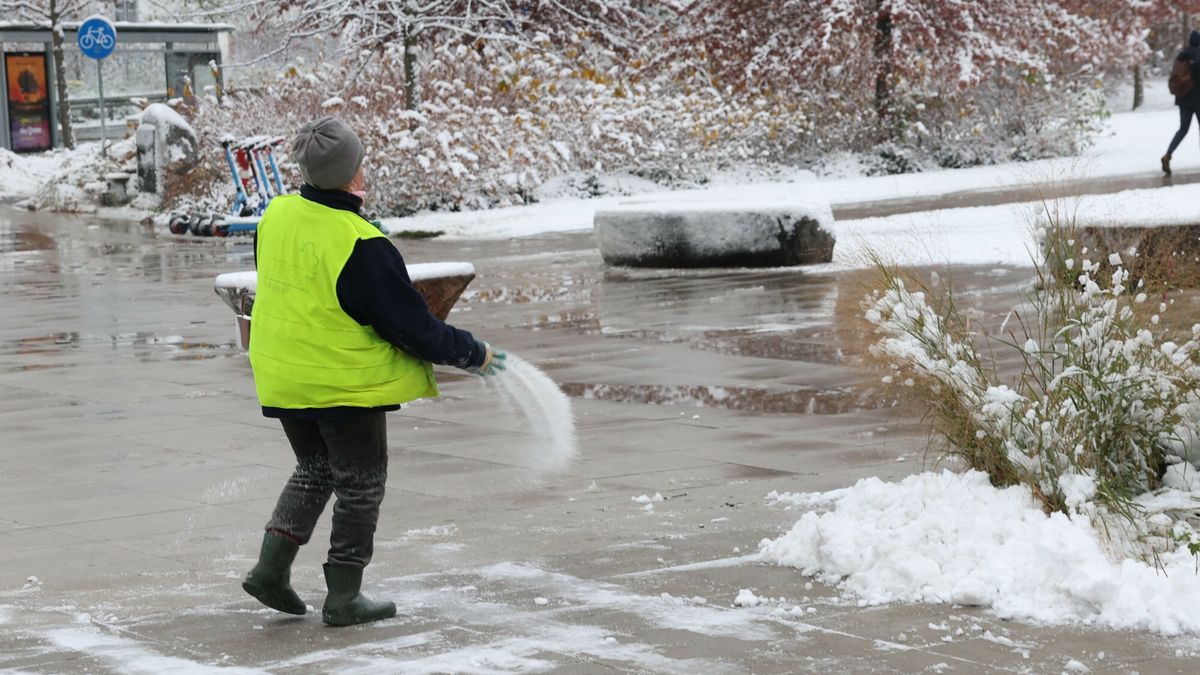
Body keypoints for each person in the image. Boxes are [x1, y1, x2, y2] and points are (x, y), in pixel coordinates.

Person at [240, 117, 506, 627]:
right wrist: (473, 354)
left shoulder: (276, 215)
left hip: (284, 374)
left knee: (315, 469)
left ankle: (270, 570)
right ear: (350, 175)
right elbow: (411, 327)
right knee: (360, 484)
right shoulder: (360, 242)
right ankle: (343, 596)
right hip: (341, 382)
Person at [1163, 30, 1200, 176]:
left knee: (1183, 129)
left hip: (1183, 100)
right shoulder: (1198, 56)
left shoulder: (1180, 56)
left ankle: (1167, 155)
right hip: (1197, 100)